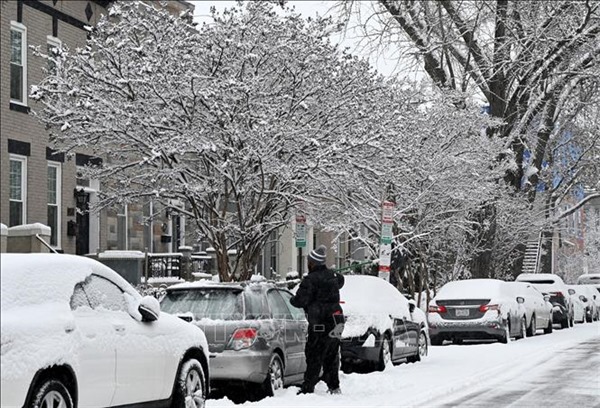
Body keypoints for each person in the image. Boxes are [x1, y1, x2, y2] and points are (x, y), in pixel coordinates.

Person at [290, 245, 345, 395]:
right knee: (331, 354)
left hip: (320, 322)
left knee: (314, 354)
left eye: (309, 262)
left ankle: (308, 389)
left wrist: (293, 299)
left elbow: (299, 301)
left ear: (313, 263)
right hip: (337, 320)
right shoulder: (333, 277)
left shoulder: (310, 280)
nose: (308, 264)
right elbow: (341, 280)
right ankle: (334, 386)